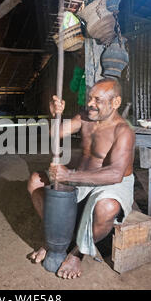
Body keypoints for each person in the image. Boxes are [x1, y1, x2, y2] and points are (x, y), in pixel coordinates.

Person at [27, 78, 135, 279]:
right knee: (36, 181)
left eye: (97, 100)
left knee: (108, 206)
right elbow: (55, 133)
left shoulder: (123, 130)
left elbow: (115, 174)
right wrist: (55, 115)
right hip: (78, 179)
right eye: (90, 98)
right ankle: (57, 241)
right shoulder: (85, 117)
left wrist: (69, 174)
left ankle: (78, 252)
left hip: (111, 184)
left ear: (115, 103)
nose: (90, 104)